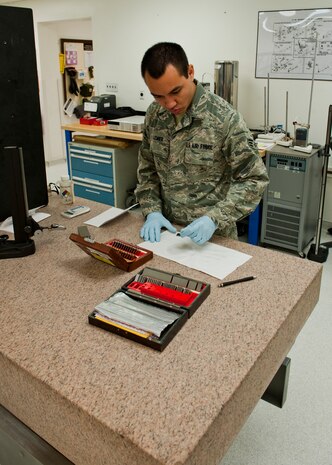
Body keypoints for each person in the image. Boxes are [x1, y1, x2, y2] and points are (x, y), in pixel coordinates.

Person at [135, 42, 269, 245]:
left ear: (190, 72)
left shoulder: (224, 118)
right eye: (158, 96)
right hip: (166, 233)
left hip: (214, 237)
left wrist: (213, 219)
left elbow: (254, 179)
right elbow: (148, 170)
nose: (169, 103)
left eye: (175, 91)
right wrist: (152, 211)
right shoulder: (155, 114)